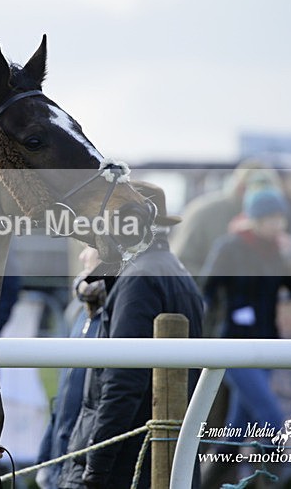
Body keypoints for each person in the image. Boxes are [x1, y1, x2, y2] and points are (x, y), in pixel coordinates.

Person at [58, 182, 204, 489]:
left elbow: (123, 382)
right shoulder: (174, 271)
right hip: (155, 454)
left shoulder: (139, 280)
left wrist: (95, 468)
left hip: (127, 464)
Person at [198, 189, 291, 485]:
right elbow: (206, 290)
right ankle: (271, 483)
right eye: (271, 218)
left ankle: (206, 483)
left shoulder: (280, 251)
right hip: (233, 345)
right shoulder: (229, 247)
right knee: (272, 420)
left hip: (266, 346)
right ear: (255, 220)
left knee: (236, 430)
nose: (278, 225)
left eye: (281, 218)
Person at [36, 247, 105, 489]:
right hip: (63, 458)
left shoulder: (115, 312)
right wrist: (46, 455)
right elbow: (66, 393)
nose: (82, 256)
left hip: (84, 463)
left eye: (89, 247)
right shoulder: (81, 310)